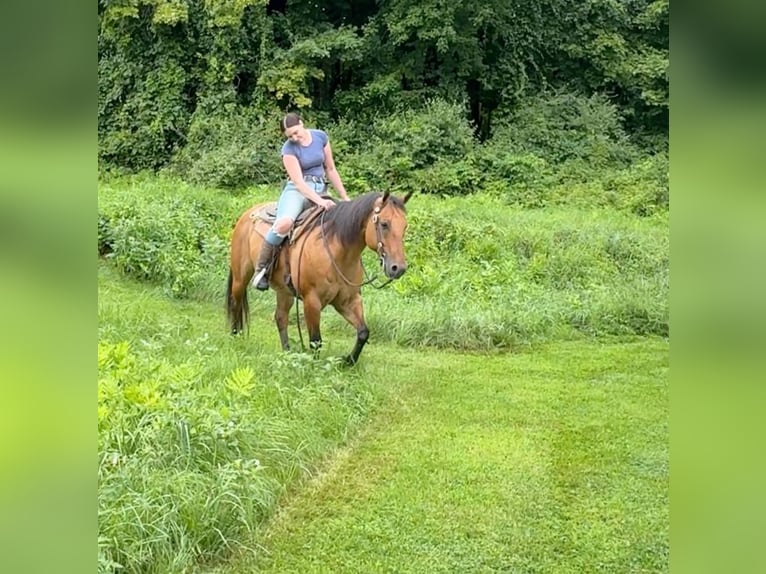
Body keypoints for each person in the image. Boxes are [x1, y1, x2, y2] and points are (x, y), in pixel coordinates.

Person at [253, 112, 350, 291]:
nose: (295, 138)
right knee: (284, 224)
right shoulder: (288, 149)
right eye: (290, 136)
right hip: (297, 191)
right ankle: (262, 270)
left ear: (302, 123)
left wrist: (344, 197)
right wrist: (320, 202)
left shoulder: (321, 137)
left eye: (296, 132)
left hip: (321, 188)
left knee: (342, 223)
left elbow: (330, 169)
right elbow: (298, 181)